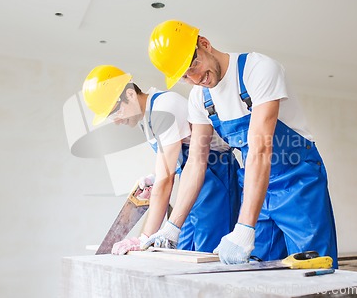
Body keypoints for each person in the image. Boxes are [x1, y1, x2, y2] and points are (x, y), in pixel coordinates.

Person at [144, 20, 338, 267]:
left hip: (297, 182)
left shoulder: (257, 69)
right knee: (262, 272)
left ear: (205, 44)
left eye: (193, 65)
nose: (195, 78)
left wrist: (245, 227)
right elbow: (195, 163)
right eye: (184, 76)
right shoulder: (199, 99)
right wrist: (173, 227)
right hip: (256, 187)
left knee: (314, 266)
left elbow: (260, 148)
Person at [81, 65, 241, 254]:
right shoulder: (147, 118)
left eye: (115, 111)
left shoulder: (164, 108)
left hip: (216, 177)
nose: (116, 121)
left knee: (206, 251)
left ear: (131, 95)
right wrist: (154, 178)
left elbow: (167, 179)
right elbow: (168, 165)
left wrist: (144, 237)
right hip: (192, 182)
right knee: (182, 249)